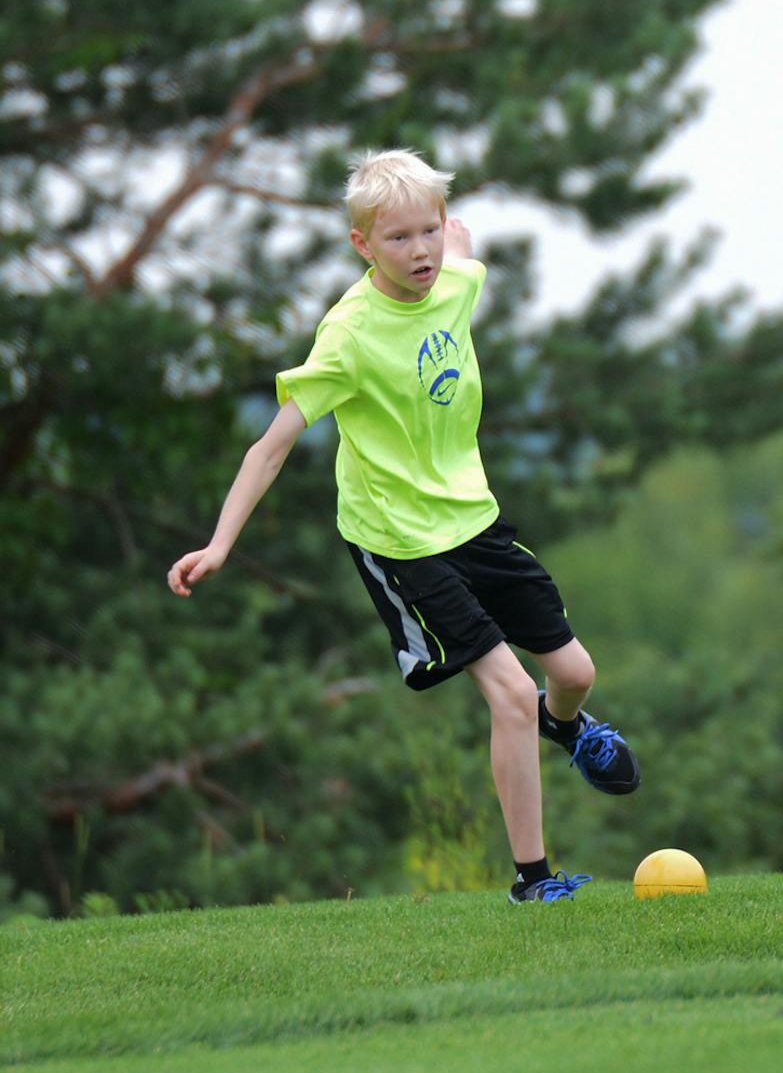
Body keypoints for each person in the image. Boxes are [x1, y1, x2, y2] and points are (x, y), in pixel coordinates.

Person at [166, 149, 638, 905]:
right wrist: (220, 544)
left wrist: (440, 219)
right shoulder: (349, 334)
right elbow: (272, 444)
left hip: (472, 518)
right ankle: (534, 882)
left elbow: (464, 240)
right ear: (361, 245)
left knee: (573, 676)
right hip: (401, 540)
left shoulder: (452, 275)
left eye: (428, 232)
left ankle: (569, 725)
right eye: (396, 239)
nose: (418, 251)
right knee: (511, 694)